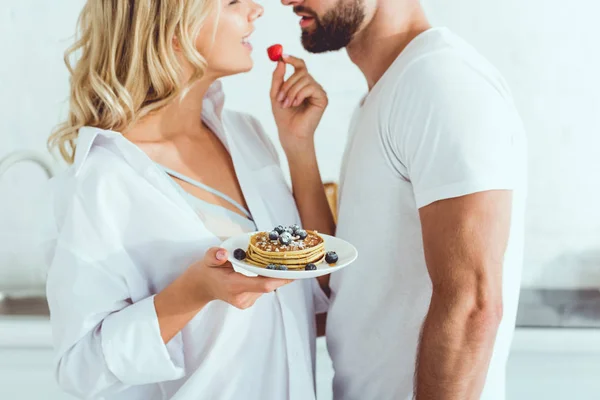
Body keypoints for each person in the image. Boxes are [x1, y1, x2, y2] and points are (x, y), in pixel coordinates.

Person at [43, 0, 335, 399]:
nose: (256, 9)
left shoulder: (246, 135)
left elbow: (323, 285)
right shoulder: (104, 178)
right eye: (233, 2)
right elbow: (81, 369)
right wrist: (194, 291)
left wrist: (299, 147)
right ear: (174, 26)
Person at [281, 0, 528, 398]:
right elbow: (340, 275)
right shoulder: (387, 93)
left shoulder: (440, 81)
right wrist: (298, 146)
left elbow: (472, 306)